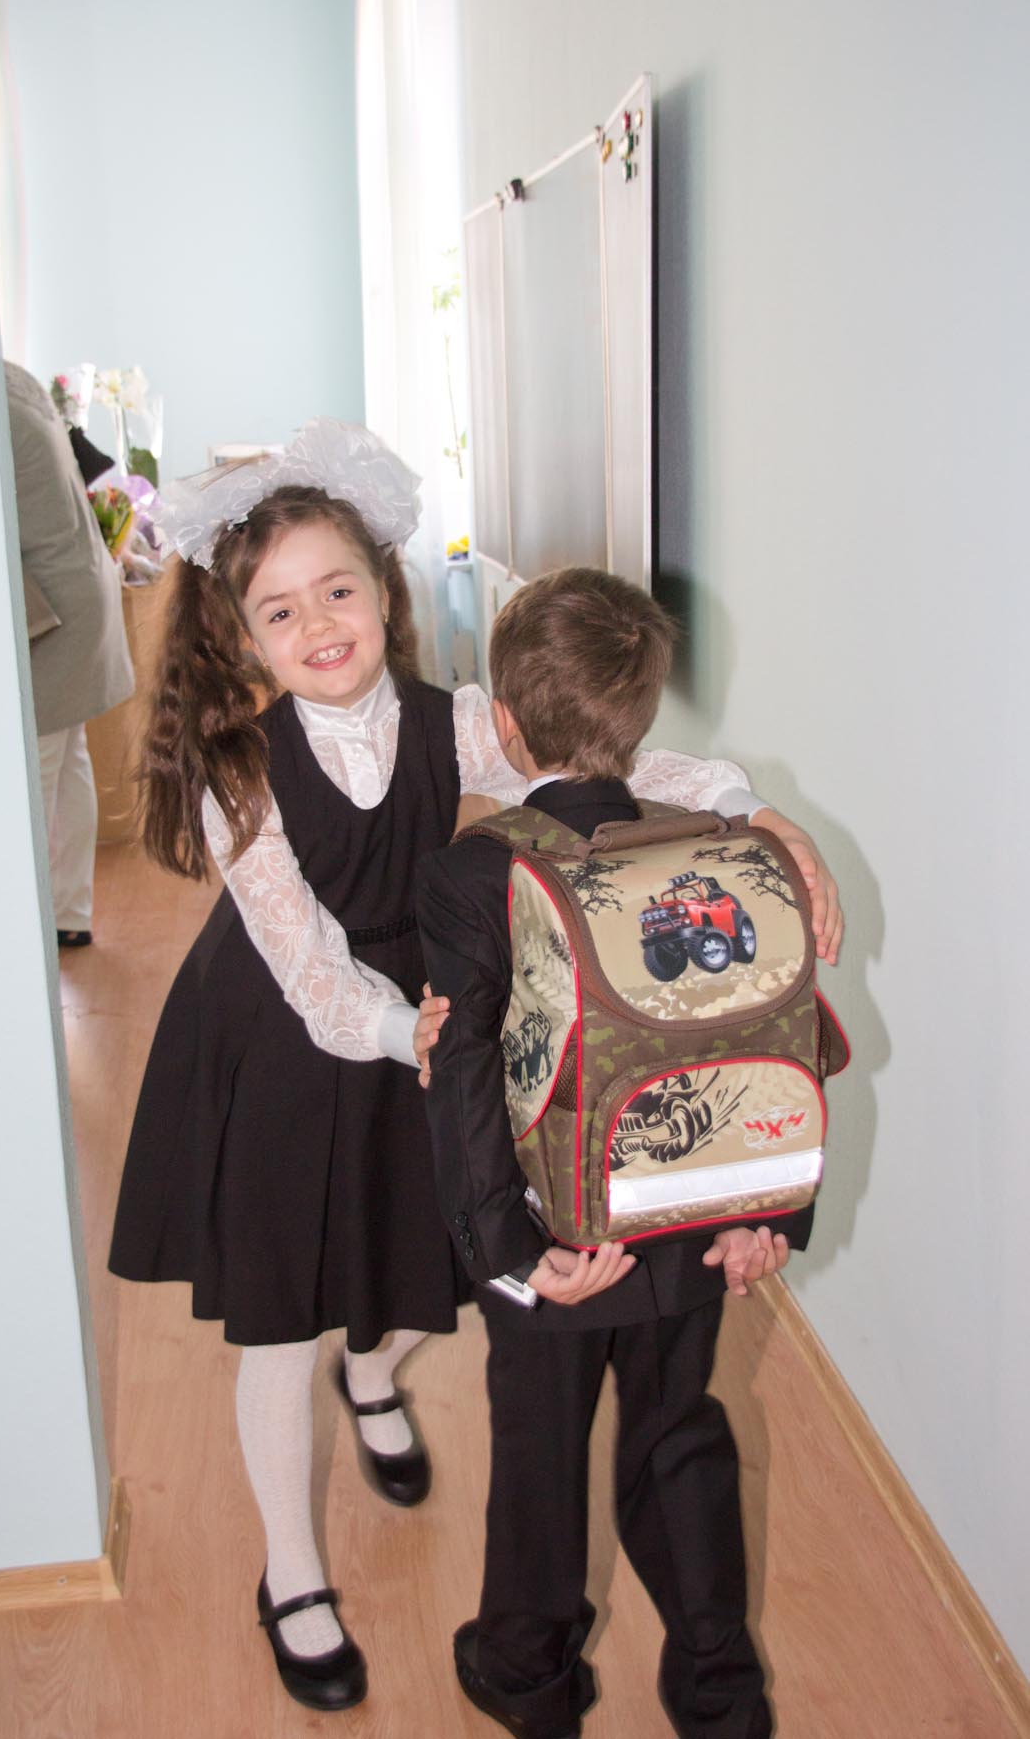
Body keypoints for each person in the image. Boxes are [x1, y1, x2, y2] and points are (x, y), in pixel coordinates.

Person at [107, 421, 839, 1715]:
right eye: (281, 609)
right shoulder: (241, 772)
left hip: (434, 1005)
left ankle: (374, 1375)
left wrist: (750, 804)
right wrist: (411, 1031)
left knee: (421, 1252)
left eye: (338, 589)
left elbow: (611, 762)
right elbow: (312, 972)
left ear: (382, 591)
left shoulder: (453, 721)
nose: (318, 624)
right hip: (289, 1034)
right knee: (283, 1317)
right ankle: (290, 1574)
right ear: (246, 636)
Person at [416, 567, 842, 1739]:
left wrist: (512, 1258)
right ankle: (719, 1687)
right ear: (641, 718)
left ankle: (528, 1672)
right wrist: (762, 1217)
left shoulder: (472, 872)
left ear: (505, 723)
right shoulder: (712, 850)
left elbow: (464, 1077)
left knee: (540, 1450)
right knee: (678, 1432)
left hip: (558, 1236)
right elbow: (759, 1032)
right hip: (692, 1222)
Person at [5, 362, 134, 948]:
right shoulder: (19, 386)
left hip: (56, 603)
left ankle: (30, 929)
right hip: (80, 583)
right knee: (65, 758)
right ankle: (68, 912)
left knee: (36, 772)